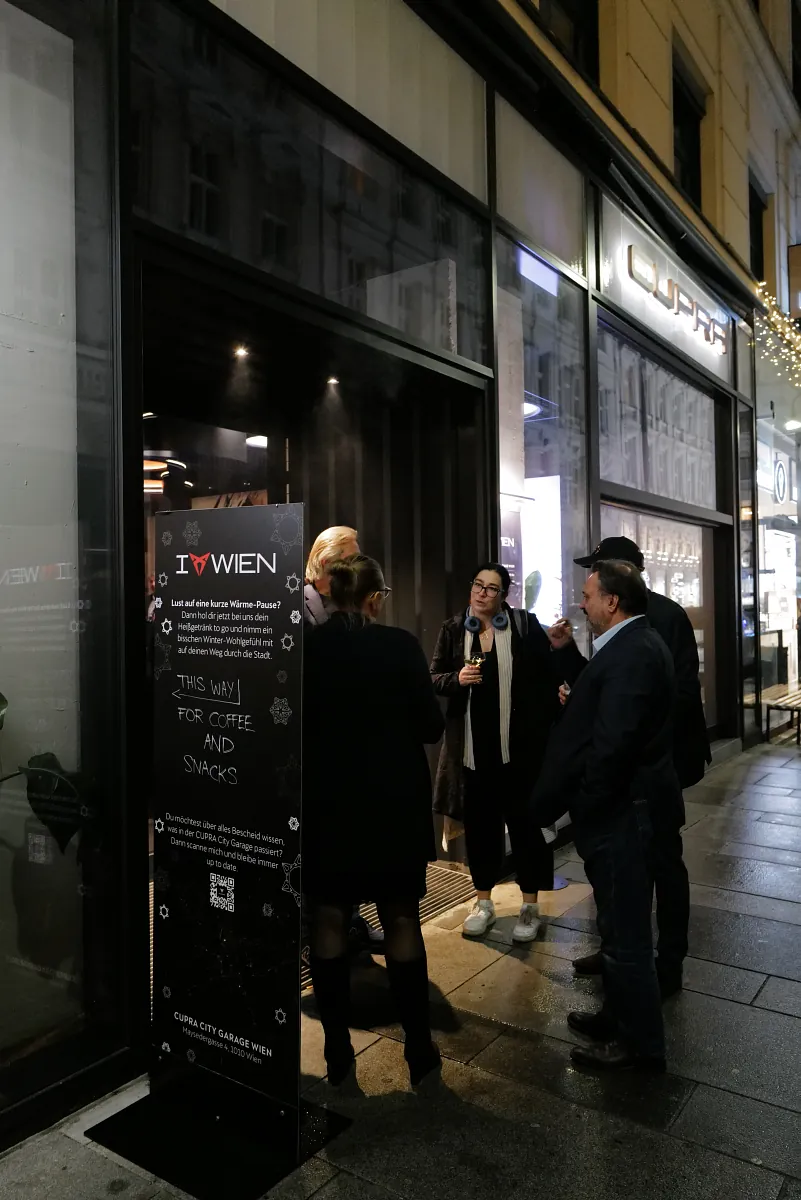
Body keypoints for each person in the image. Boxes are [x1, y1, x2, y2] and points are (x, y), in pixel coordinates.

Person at [532, 560, 679, 1072]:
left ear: (612, 602)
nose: (582, 602)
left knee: (628, 936)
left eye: (589, 595)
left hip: (621, 814)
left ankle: (640, 1046)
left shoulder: (635, 651)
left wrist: (586, 803)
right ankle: (617, 1018)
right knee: (616, 928)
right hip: (621, 810)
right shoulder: (630, 645)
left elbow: (613, 746)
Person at [304, 555, 444, 1087]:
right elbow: (430, 728)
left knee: (329, 919)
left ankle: (337, 1052)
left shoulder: (308, 649)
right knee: (402, 918)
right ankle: (420, 1050)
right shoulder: (401, 646)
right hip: (393, 804)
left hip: (328, 804)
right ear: (374, 599)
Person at [551, 535, 709, 996]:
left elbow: (677, 695)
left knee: (662, 864)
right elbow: (604, 682)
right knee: (621, 870)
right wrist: (570, 662)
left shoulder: (662, 617)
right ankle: (617, 950)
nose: (588, 584)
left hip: (654, 772)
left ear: (619, 577)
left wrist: (632, 738)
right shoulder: (612, 617)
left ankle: (667, 963)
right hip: (630, 772)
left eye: (595, 571)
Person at [430, 563, 580, 943]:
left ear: (504, 596)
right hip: (472, 755)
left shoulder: (522, 626)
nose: (482, 593)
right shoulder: (453, 629)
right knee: (481, 832)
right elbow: (432, 678)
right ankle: (483, 902)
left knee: (527, 829)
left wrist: (559, 687)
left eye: (491, 588)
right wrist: (456, 679)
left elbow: (549, 675)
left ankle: (530, 906)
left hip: (519, 755)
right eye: (478, 585)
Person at [303, 524, 384, 955]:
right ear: (327, 563)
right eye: (351, 558)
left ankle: (348, 923)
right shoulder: (300, 609)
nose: (357, 565)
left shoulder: (336, 610)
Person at [304, 525, 359, 627]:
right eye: (351, 560)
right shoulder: (295, 603)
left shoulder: (356, 604)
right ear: (326, 562)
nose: (358, 567)